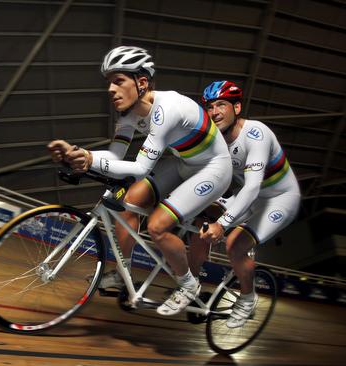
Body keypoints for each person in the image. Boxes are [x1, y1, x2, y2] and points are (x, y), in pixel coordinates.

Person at [48, 46, 232, 316]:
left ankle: (188, 285)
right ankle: (123, 274)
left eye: (118, 81)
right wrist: (78, 154)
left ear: (142, 82)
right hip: (183, 163)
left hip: (213, 169)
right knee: (128, 201)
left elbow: (141, 167)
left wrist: (89, 158)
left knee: (157, 225)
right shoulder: (128, 115)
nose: (111, 89)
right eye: (109, 82)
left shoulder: (166, 110)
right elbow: (114, 156)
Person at [190, 80, 301, 328]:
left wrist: (224, 223)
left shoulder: (256, 133)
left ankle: (247, 298)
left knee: (234, 245)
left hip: (278, 200)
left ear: (237, 108)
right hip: (248, 198)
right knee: (200, 221)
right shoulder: (215, 141)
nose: (214, 112)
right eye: (209, 107)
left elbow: (252, 187)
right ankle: (191, 284)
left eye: (221, 105)